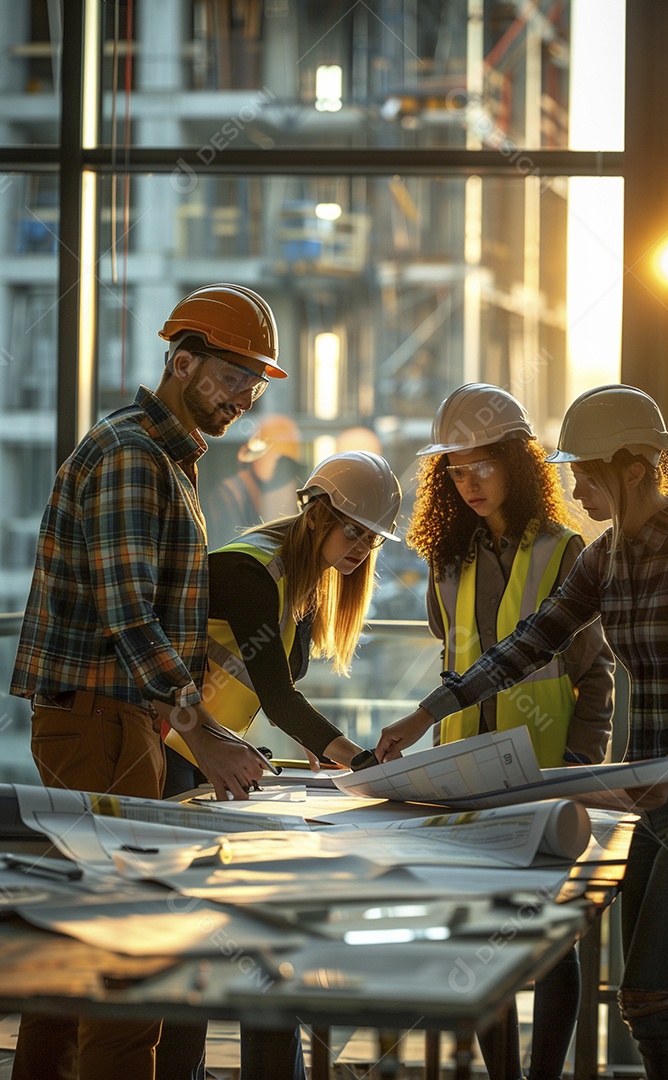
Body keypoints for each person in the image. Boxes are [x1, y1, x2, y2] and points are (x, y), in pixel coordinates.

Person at [376, 384, 668, 1080]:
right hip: (648, 802)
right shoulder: (608, 556)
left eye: (583, 473)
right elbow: (528, 644)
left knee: (650, 998)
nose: (573, 486)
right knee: (656, 1000)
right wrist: (428, 713)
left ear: (633, 468)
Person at [8, 283, 287, 1080]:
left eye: (255, 384)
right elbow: (130, 616)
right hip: (102, 720)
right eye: (233, 377)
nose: (244, 398)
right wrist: (203, 730)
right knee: (131, 951)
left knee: (83, 940)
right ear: (181, 360)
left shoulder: (163, 457)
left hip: (117, 721)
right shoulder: (134, 454)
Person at [159, 449, 402, 1080]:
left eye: (373, 539)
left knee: (217, 928)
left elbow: (265, 693)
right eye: (354, 530)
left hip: (203, 750)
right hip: (167, 749)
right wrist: (359, 760)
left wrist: (327, 754)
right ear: (317, 515)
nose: (362, 548)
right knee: (188, 934)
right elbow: (277, 695)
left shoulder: (301, 581)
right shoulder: (253, 569)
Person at [400, 383, 614, 1080]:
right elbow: (452, 654)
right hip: (462, 776)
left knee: (550, 944)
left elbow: (595, 677)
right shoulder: (447, 557)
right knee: (482, 946)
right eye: (454, 470)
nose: (468, 483)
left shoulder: (564, 551)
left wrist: (581, 761)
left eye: (482, 466)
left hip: (543, 773)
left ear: (518, 465)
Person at [204, 413, 305, 549]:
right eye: (272, 456)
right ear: (256, 453)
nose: (276, 466)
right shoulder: (228, 493)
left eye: (282, 460)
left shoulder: (273, 494)